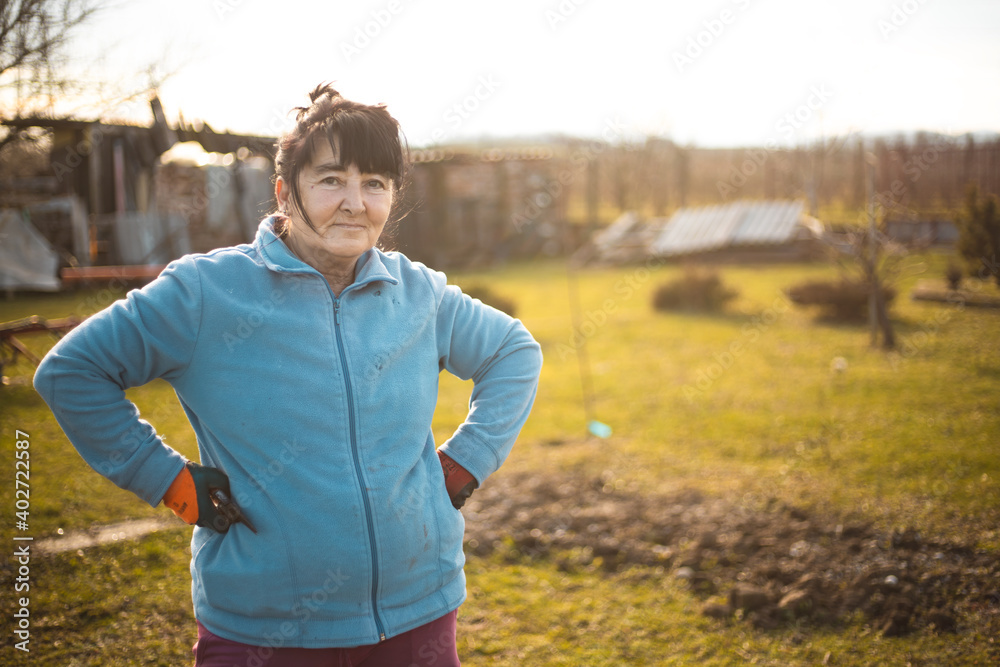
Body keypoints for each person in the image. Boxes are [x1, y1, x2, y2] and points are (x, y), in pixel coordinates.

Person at [33, 83, 543, 666]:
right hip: (265, 632)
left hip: (418, 612)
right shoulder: (206, 293)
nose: (355, 202)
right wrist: (167, 481)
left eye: (374, 183)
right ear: (284, 191)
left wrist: (466, 462)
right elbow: (73, 370)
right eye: (331, 179)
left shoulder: (418, 291)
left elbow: (514, 353)